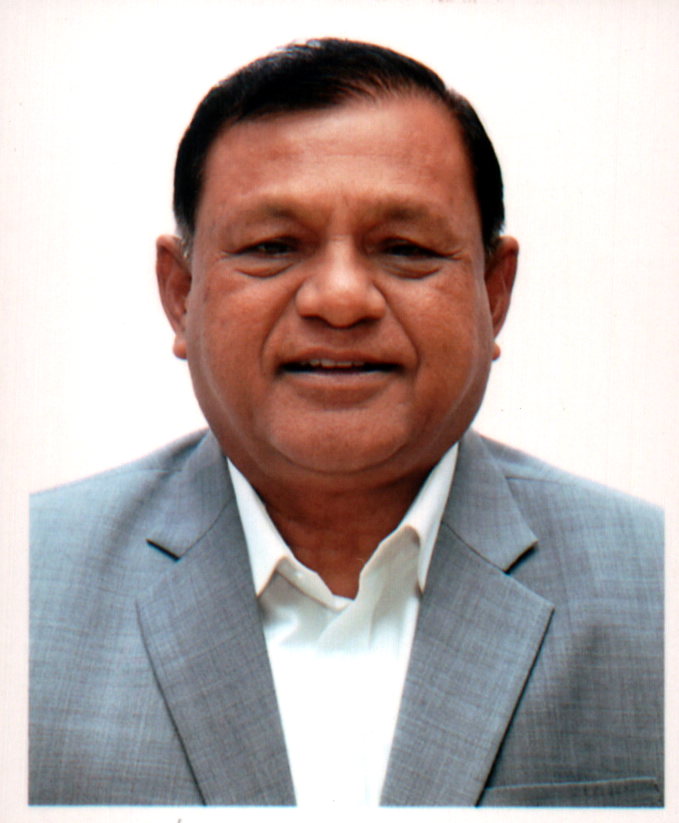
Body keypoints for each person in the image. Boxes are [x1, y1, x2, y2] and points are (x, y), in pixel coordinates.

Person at [29, 38, 663, 807]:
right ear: (180, 294)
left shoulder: (653, 588)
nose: (338, 299)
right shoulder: (26, 590)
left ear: (494, 293)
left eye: (404, 248)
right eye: (272, 246)